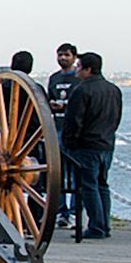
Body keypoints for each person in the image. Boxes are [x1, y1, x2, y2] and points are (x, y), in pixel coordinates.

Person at [61, 51, 123, 242]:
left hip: (86, 145)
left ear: (87, 70)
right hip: (106, 143)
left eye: (79, 66)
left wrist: (69, 142)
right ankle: (104, 224)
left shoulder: (82, 91)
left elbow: (74, 120)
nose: (76, 70)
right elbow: (116, 117)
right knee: (102, 184)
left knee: (89, 186)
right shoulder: (113, 90)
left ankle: (96, 226)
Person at [46, 43, 81, 227]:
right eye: (59, 55)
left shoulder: (79, 78)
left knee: (75, 174)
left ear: (74, 57)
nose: (62, 58)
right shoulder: (54, 78)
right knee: (57, 173)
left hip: (73, 131)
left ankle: (75, 212)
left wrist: (65, 106)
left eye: (66, 55)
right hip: (56, 128)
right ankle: (61, 211)